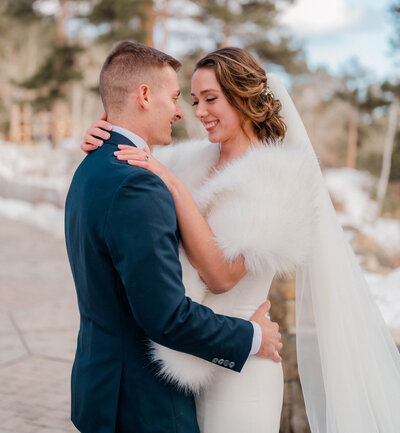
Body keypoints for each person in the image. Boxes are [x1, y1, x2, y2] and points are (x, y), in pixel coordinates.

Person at [84, 45, 400, 433]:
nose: (198, 112)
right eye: (194, 99)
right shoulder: (191, 160)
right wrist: (104, 134)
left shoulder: (278, 177)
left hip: (243, 373)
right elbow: (128, 172)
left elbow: (220, 275)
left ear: (243, 97)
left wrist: (174, 186)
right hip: (182, 372)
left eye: (210, 99)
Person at [65, 41, 283, 433]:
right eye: (182, 97)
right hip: (145, 400)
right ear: (144, 95)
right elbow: (165, 316)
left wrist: (112, 129)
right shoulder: (140, 182)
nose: (188, 112)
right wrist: (253, 336)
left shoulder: (93, 167)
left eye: (207, 99)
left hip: (128, 388)